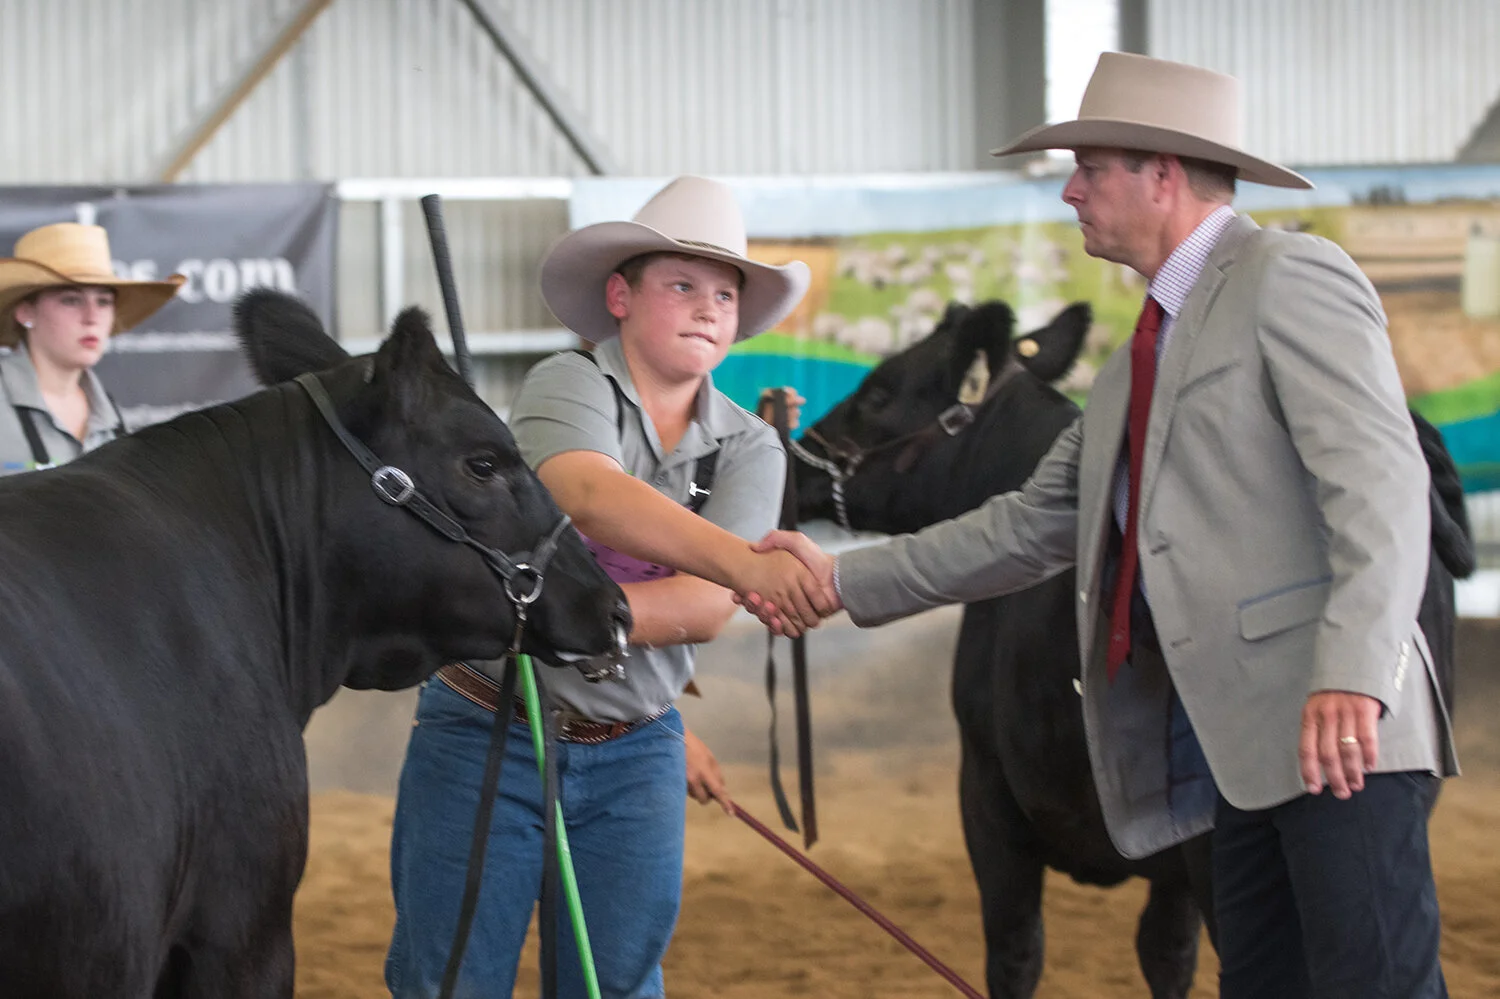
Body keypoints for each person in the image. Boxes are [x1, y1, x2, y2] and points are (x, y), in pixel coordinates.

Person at [745, 53, 1456, 998]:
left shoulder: (1292, 275)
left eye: (1090, 168)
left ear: (1162, 172)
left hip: (1340, 734)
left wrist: (1354, 675)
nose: (1071, 190)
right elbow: (1032, 522)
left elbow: (1380, 485)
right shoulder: (1131, 364)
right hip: (1239, 761)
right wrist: (838, 580)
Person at [385, 175, 816, 998]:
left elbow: (704, 607)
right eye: (681, 285)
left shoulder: (753, 446)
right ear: (619, 295)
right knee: (449, 980)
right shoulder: (567, 381)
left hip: (635, 749)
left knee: (613, 983)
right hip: (488, 725)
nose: (706, 307)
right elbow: (588, 493)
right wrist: (741, 565)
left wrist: (548, 619)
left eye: (724, 294)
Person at [0, 222, 182, 474]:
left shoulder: (111, 416)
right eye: (71, 300)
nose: (92, 317)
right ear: (26, 312)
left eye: (104, 301)